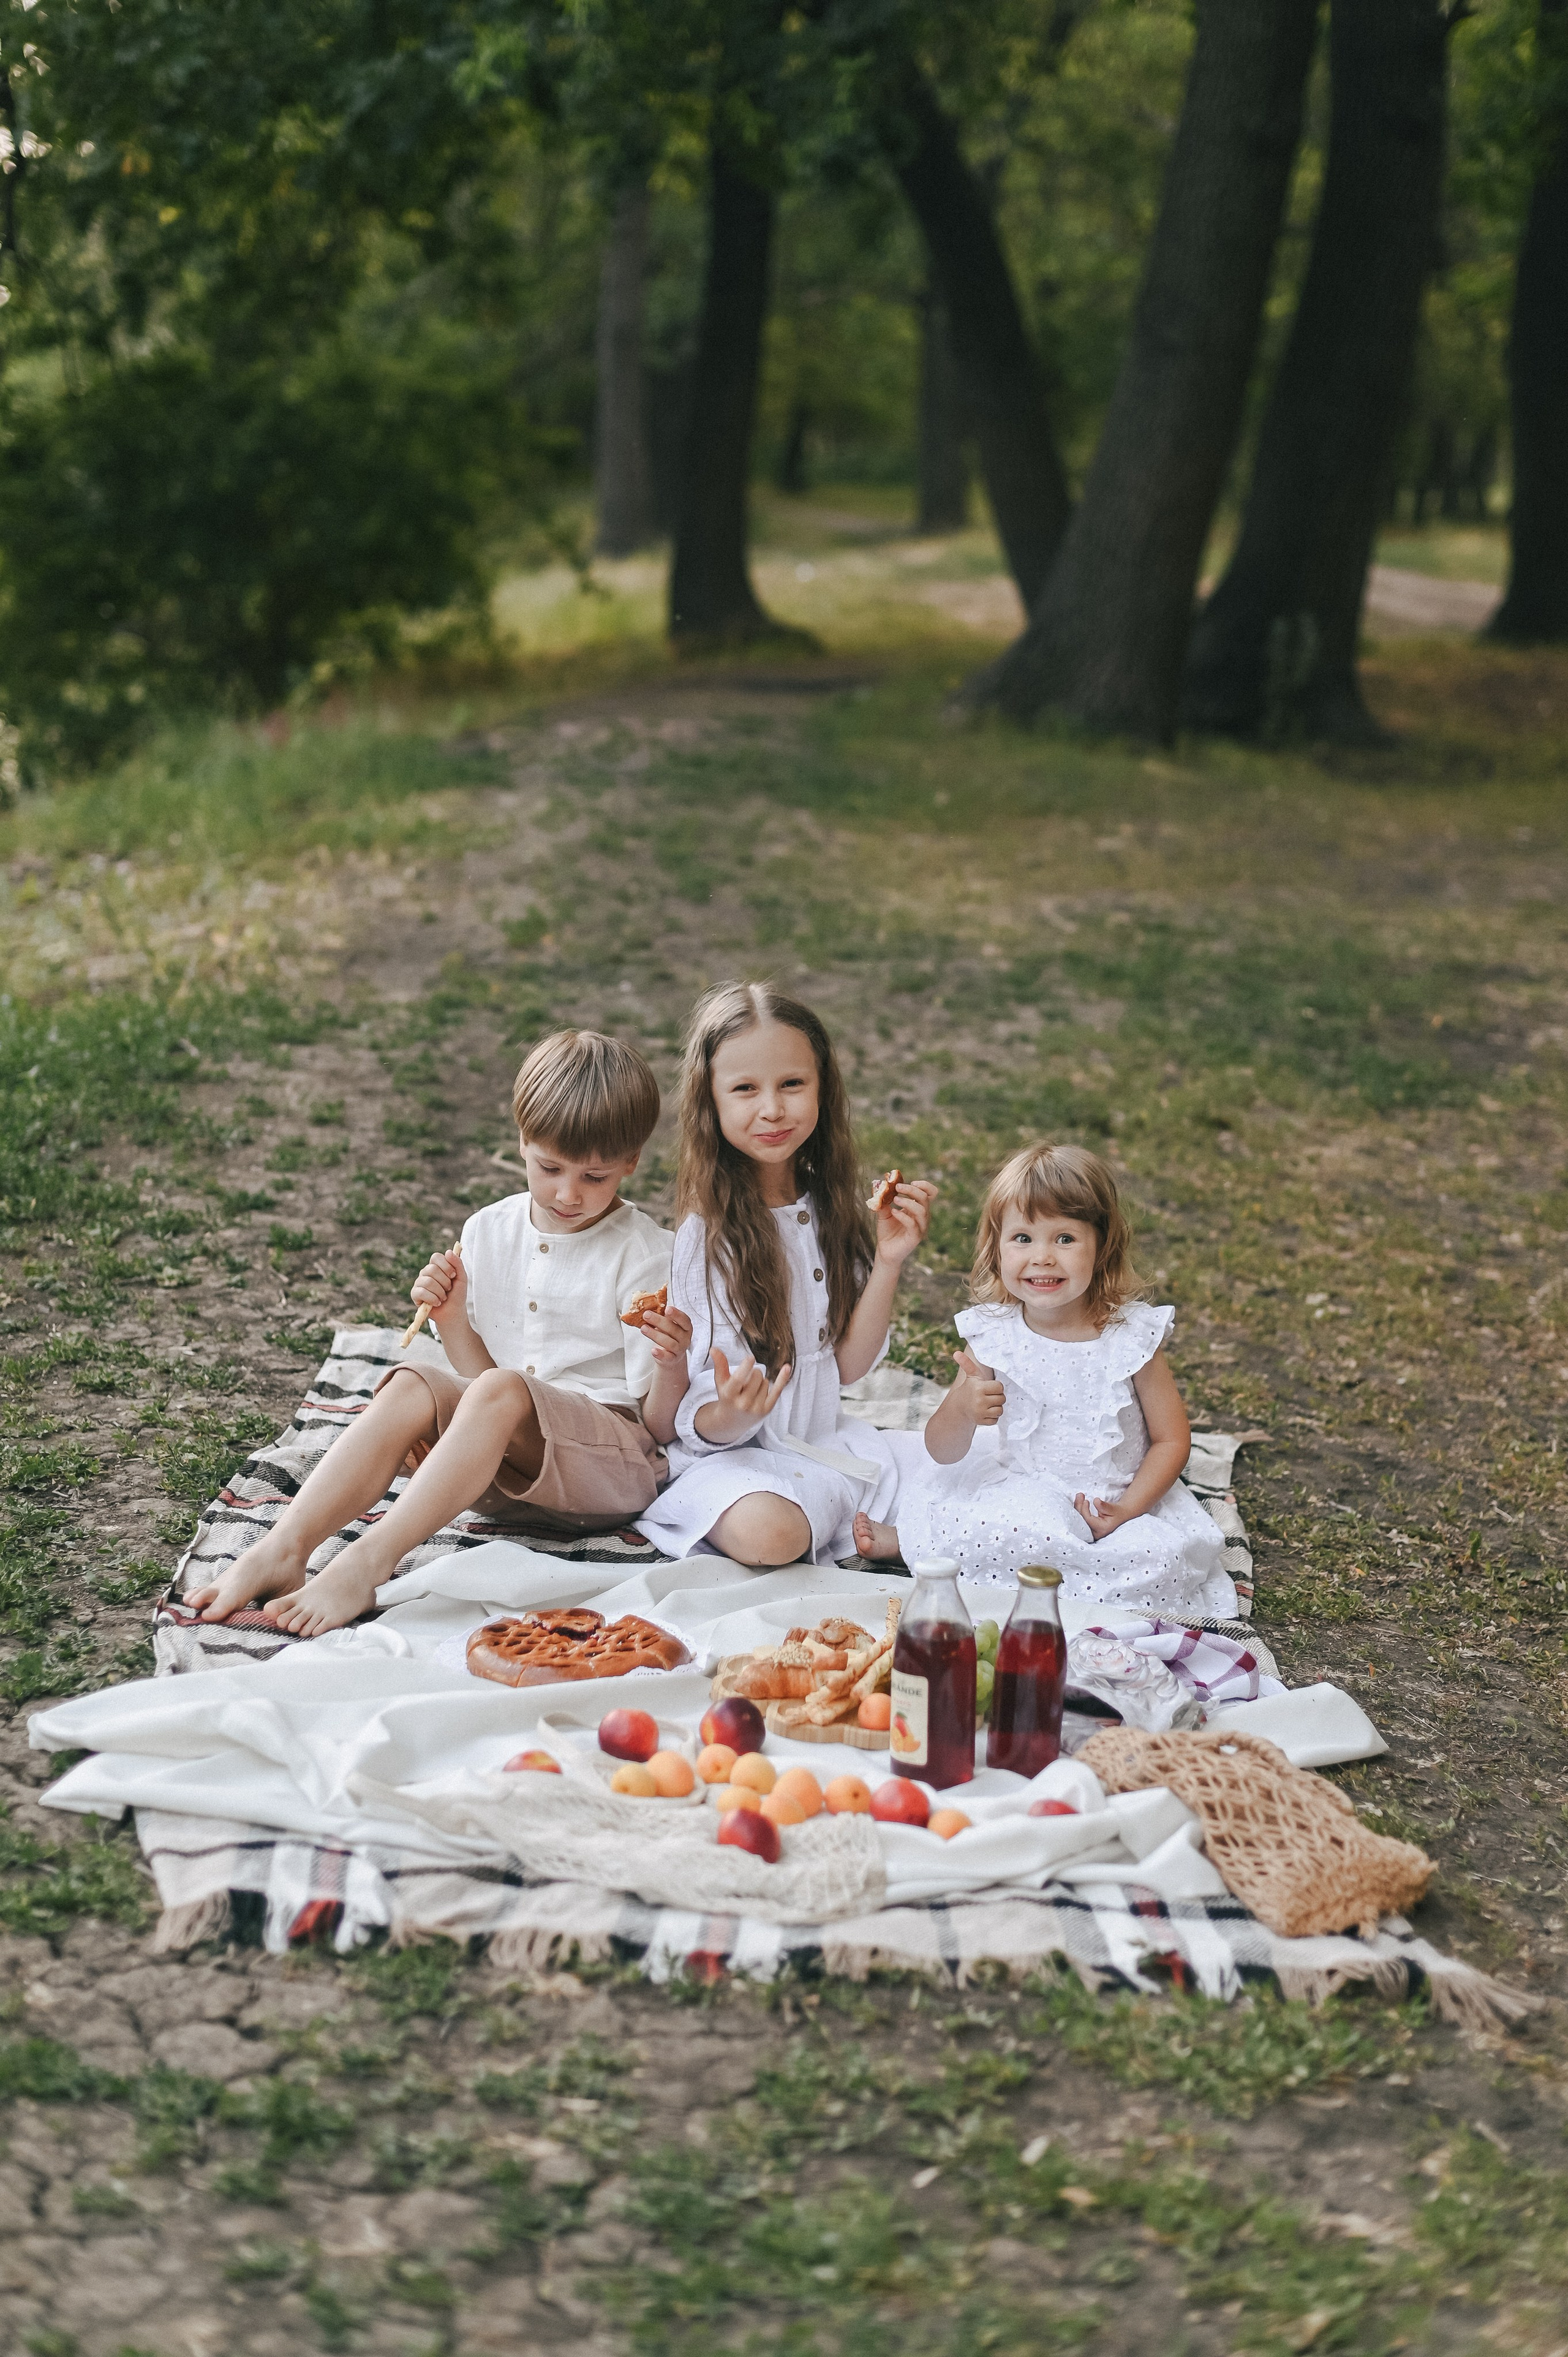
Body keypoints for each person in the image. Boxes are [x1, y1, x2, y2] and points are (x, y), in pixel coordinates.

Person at [187, 1030, 691, 1634]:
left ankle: (368, 1561)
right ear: (522, 1142)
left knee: (500, 1389)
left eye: (595, 1176)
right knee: (413, 1384)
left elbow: (658, 1429)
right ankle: (286, 1546)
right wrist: (451, 1317)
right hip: (506, 1479)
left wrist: (669, 1360)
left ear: (631, 1163)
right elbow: (485, 1390)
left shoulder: (643, 1255)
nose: (567, 1192)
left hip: (608, 1473)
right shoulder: (487, 1230)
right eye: (549, 1167)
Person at [852, 1140, 1237, 1618]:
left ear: (1102, 1247)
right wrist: (963, 1410)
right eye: (1023, 1239)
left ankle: (969, 1558)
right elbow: (943, 1450)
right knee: (1003, 1526)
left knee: (1161, 1559)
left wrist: (1128, 1510)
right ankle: (912, 1541)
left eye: (1065, 1239)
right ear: (996, 1247)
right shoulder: (994, 1335)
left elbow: (1171, 1440)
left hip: (1115, 1499)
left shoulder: (1129, 1337)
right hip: (1023, 1493)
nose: (1043, 1258)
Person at [635, 981, 935, 1569]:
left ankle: (834, 1510)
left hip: (822, 1447)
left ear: (822, 1087)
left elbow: (847, 1366)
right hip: (732, 1459)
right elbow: (694, 1421)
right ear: (711, 1104)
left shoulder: (832, 1208)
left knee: (973, 1469)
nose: (772, 1109)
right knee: (771, 1535)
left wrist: (891, 1260)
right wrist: (736, 1415)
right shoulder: (708, 1236)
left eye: (792, 1084)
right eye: (745, 1089)